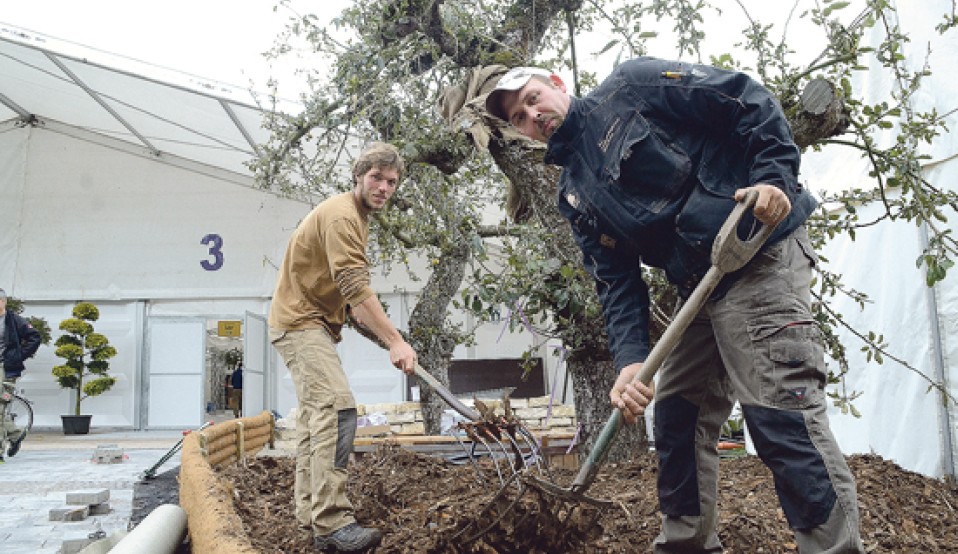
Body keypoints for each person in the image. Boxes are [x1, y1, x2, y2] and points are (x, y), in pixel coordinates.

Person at [486, 59, 864, 553]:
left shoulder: (630, 87)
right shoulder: (574, 194)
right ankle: (688, 544)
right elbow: (616, 282)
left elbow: (743, 96)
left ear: (558, 84)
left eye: (533, 99)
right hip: (699, 288)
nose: (531, 116)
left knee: (779, 414)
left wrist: (773, 176)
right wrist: (630, 362)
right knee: (677, 419)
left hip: (756, 251)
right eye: (518, 117)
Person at [268, 142, 418, 553]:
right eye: (377, 178)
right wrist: (395, 340)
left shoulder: (356, 217)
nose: (384, 187)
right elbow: (354, 287)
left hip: (305, 322)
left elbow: (350, 300)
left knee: (314, 424)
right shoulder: (341, 216)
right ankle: (333, 524)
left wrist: (379, 332)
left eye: (392, 182)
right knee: (338, 412)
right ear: (359, 175)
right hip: (300, 324)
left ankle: (309, 520)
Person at [1, 288, 42, 460]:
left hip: (7, 368)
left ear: (3, 302)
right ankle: (16, 435)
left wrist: (19, 355)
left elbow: (34, 337)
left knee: (0, 408)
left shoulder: (13, 320)